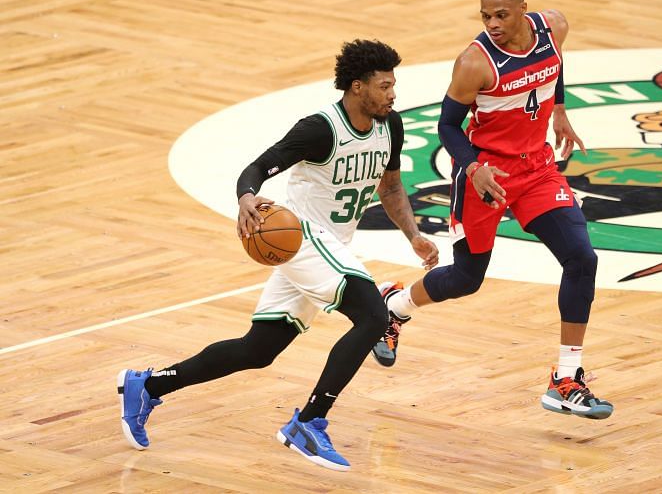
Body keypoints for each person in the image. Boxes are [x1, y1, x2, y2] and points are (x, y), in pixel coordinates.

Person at [117, 39, 439, 471]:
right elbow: (257, 167)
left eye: (393, 85)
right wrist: (246, 196)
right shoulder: (320, 128)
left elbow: (392, 187)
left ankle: (150, 385)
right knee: (374, 317)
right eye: (384, 86)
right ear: (358, 87)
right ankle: (309, 422)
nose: (393, 93)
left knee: (258, 350)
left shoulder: (390, 125)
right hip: (302, 238)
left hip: (330, 247)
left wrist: (413, 235)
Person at [371, 0, 613, 420]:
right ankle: (394, 307)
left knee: (583, 259)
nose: (493, 23)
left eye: (501, 14)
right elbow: (447, 127)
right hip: (488, 174)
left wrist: (557, 109)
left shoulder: (554, 27)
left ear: (524, 8)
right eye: (486, 16)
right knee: (467, 277)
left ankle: (565, 377)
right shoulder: (474, 63)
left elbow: (554, 66)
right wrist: (475, 167)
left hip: (537, 168)